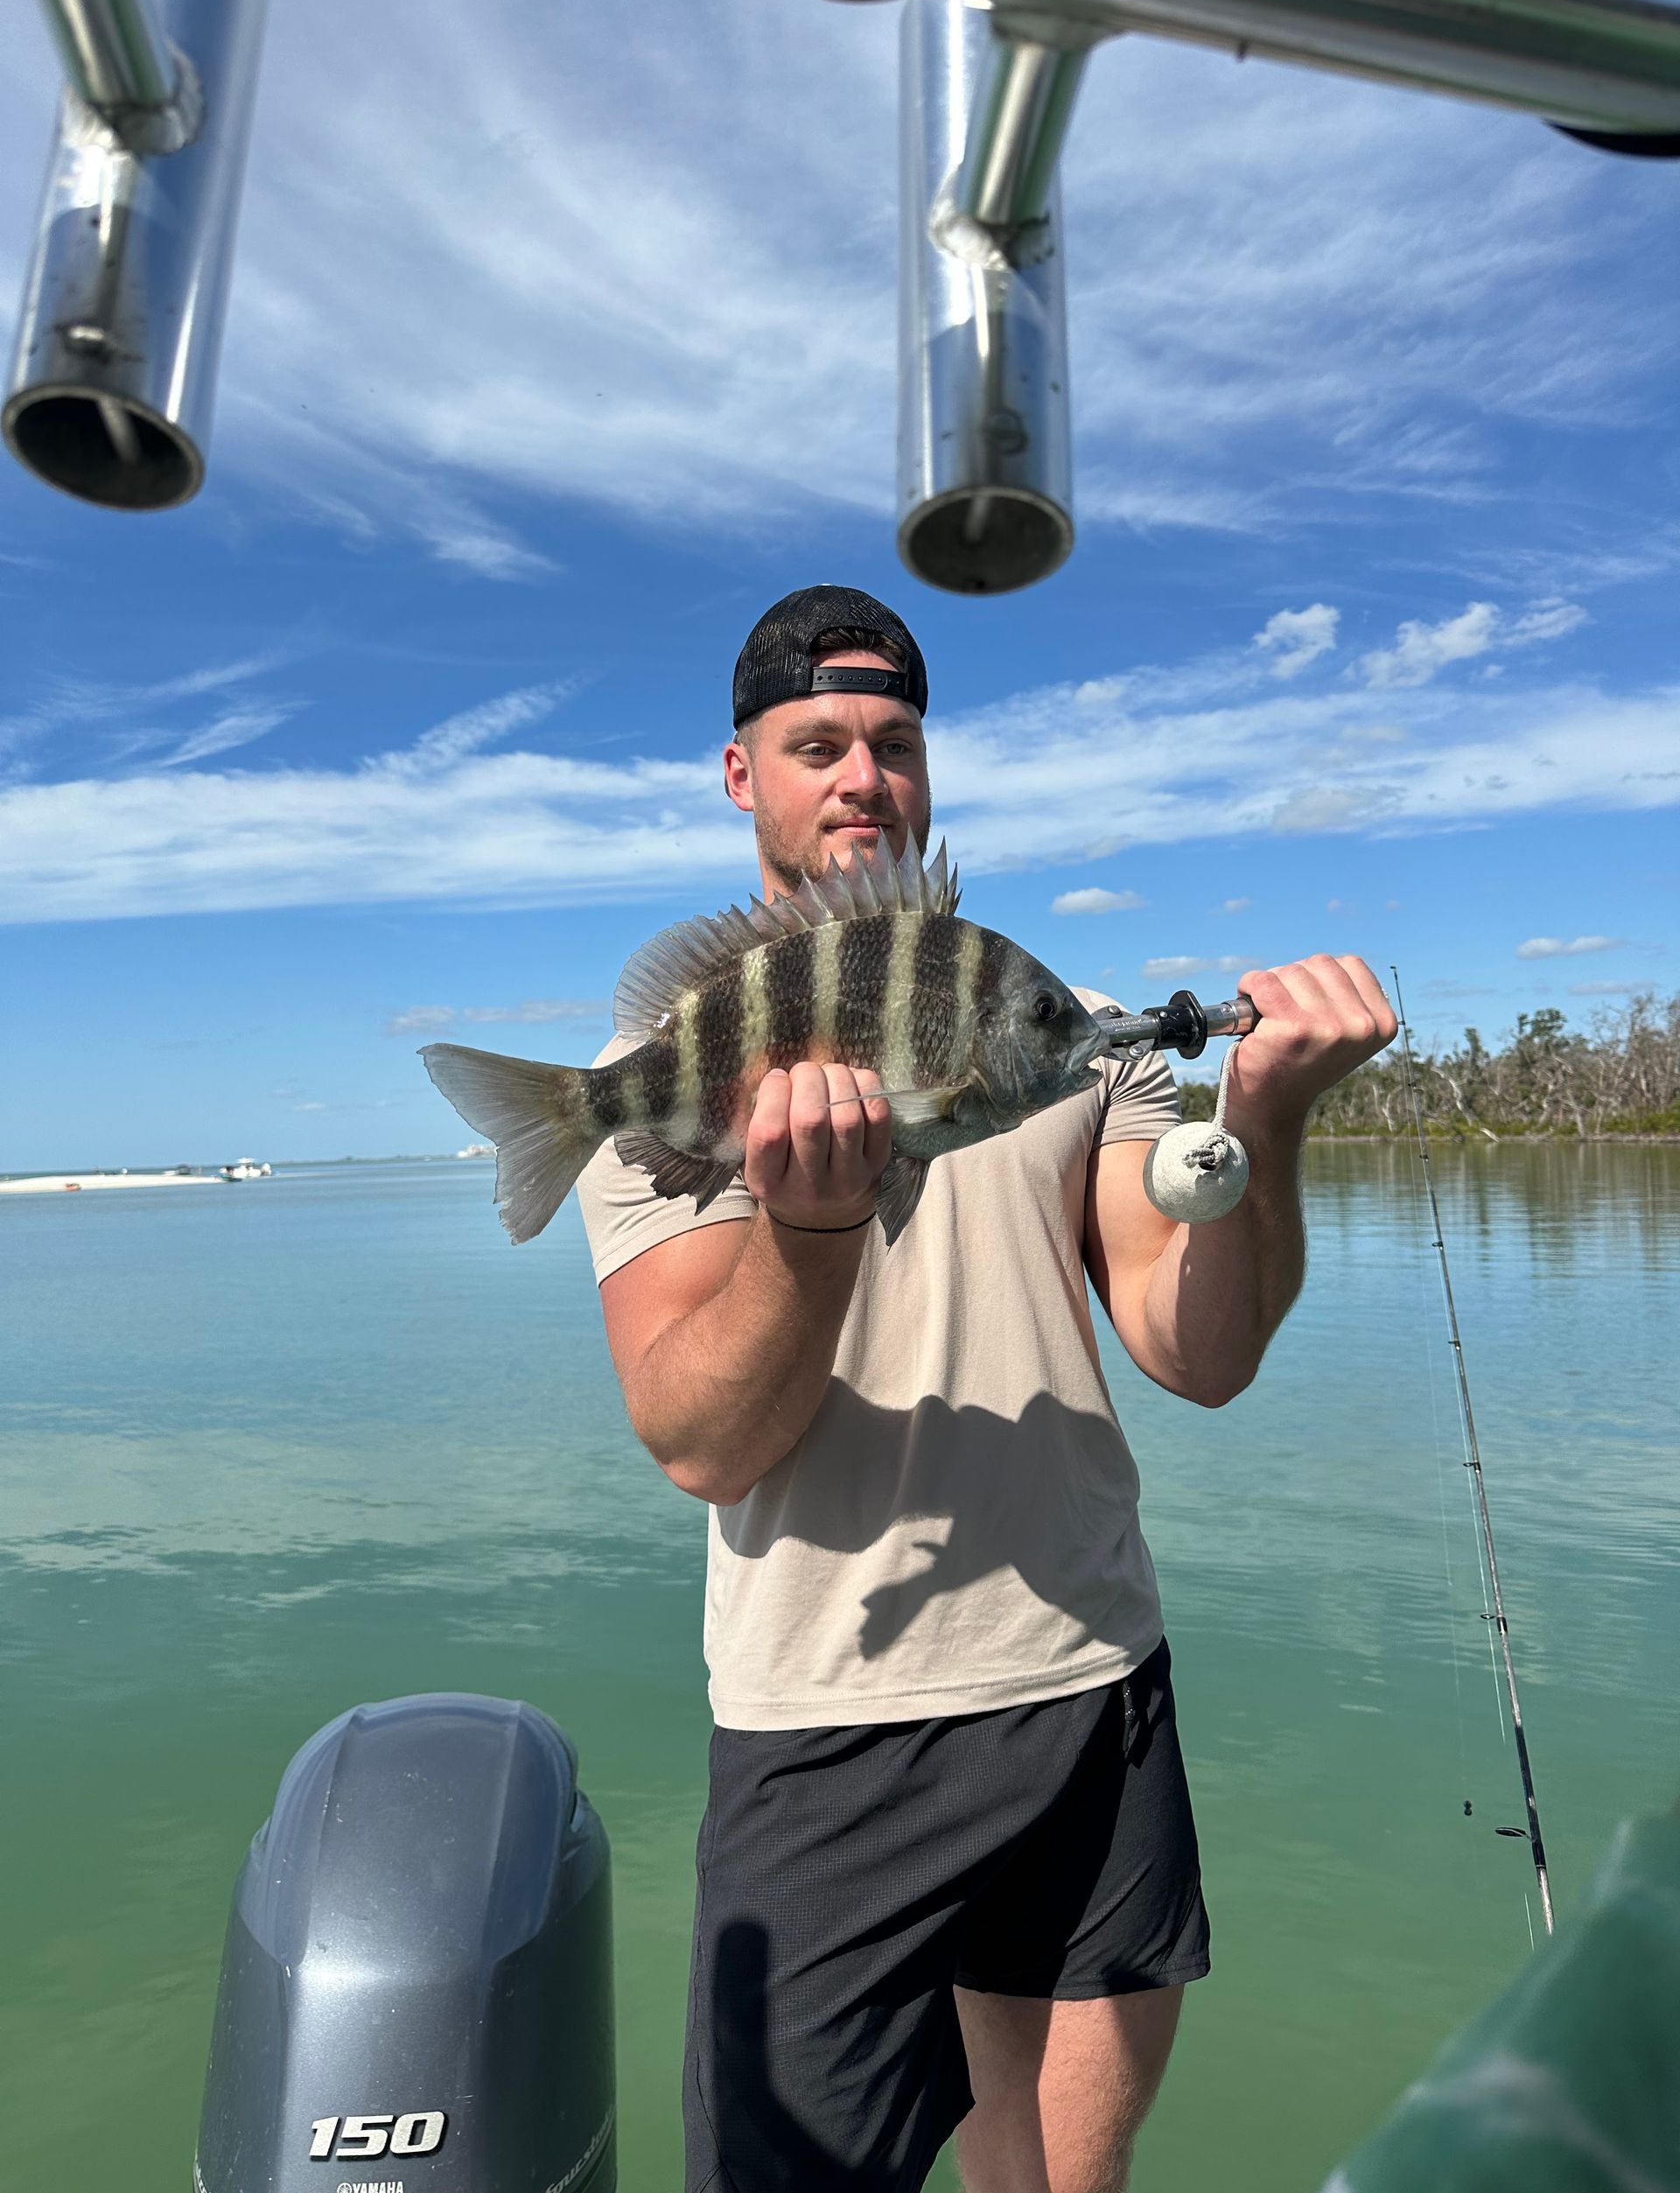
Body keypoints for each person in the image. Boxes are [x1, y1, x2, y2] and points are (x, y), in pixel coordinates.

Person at [576, 585, 1397, 2193]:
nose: (861, 778)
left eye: (893, 743)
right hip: (826, 1721)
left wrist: (1269, 1119)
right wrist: (810, 1236)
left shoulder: (1065, 1032)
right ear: (742, 773)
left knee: (1062, 2171)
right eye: (816, 744)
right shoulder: (682, 1055)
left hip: (1093, 1682)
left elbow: (1200, 1351)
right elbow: (697, 1439)